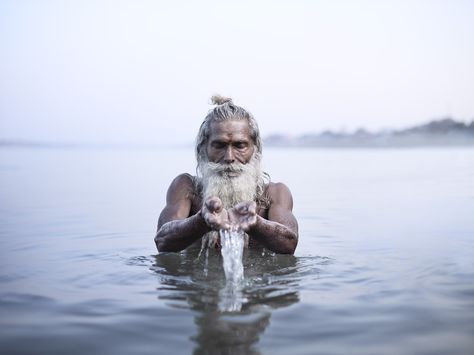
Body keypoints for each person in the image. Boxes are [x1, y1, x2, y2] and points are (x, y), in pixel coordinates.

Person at [154, 95, 298, 254]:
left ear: (254, 149)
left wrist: (256, 224)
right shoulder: (186, 188)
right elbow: (162, 241)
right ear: (204, 149)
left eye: (240, 145)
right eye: (219, 145)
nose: (229, 157)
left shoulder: (275, 193)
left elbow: (290, 243)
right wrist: (201, 220)